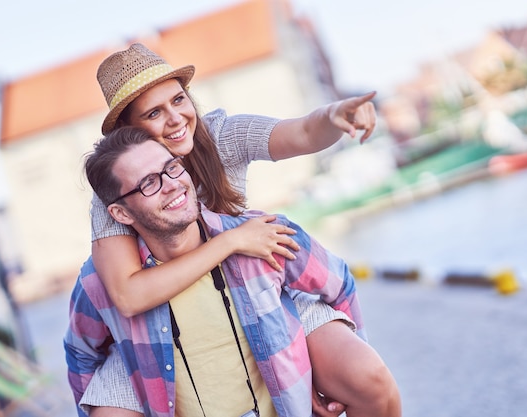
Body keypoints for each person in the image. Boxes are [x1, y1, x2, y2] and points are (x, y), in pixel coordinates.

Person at [86, 44, 399, 416]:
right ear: (129, 131)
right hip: (161, 322)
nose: (176, 119)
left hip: (259, 290)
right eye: (155, 112)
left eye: (179, 100)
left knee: (369, 380)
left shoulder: (219, 137)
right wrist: (232, 241)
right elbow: (128, 295)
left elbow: (300, 132)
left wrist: (334, 115)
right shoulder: (119, 190)